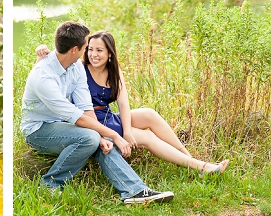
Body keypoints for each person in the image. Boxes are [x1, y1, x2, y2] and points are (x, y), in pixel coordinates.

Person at [35, 30, 230, 176]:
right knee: (146, 137)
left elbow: (123, 104)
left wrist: (127, 131)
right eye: (90, 49)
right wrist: (42, 52)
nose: (93, 54)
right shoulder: (79, 67)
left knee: (149, 114)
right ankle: (200, 167)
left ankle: (189, 158)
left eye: (99, 50)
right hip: (91, 122)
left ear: (110, 53)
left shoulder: (114, 71)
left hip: (108, 116)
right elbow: (61, 57)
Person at [21, 21, 175, 204]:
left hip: (64, 125)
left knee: (99, 140)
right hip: (39, 130)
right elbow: (76, 116)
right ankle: (51, 183)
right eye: (86, 46)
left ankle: (135, 191)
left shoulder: (76, 67)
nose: (88, 50)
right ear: (75, 49)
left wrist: (104, 138)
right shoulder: (43, 77)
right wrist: (112, 135)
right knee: (91, 138)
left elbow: (85, 107)